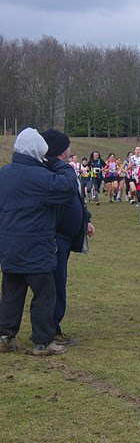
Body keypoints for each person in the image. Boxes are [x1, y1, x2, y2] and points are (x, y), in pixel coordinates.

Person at [0, 128, 79, 356]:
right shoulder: (42, 178)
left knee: (11, 294)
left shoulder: (4, 174)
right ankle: (43, 342)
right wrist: (57, 163)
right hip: (36, 247)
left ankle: (5, 336)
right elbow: (68, 186)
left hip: (9, 247)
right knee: (44, 294)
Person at [41, 130, 96, 347]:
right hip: (56, 237)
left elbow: (76, 199)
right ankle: (51, 329)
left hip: (65, 236)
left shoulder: (63, 170)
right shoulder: (51, 171)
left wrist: (85, 219)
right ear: (62, 150)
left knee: (58, 283)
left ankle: (52, 326)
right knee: (54, 284)